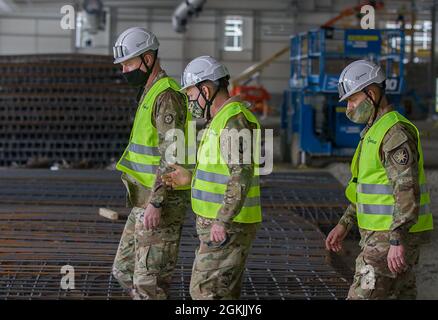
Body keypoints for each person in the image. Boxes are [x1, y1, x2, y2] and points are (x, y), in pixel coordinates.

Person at [326, 60, 433, 299]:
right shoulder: (374, 131)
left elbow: (406, 189)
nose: (350, 107)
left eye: (353, 100)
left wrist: (397, 239)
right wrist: (345, 223)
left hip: (388, 239)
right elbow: (366, 189)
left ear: (371, 94)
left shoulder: (394, 133)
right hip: (382, 235)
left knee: (362, 295)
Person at [163, 56, 262, 299]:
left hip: (228, 226)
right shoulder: (220, 121)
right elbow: (222, 171)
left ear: (205, 89)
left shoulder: (233, 121)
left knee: (204, 293)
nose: (189, 102)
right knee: (221, 294)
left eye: (190, 95)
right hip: (223, 225)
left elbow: (241, 175)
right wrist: (191, 177)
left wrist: (222, 220)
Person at [111, 27, 193, 299]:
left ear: (148, 58)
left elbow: (173, 155)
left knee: (149, 284)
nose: (124, 70)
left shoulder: (166, 95)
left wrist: (157, 202)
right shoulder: (150, 91)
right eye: (122, 65)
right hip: (144, 199)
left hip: (162, 201)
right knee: (124, 270)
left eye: (129, 63)